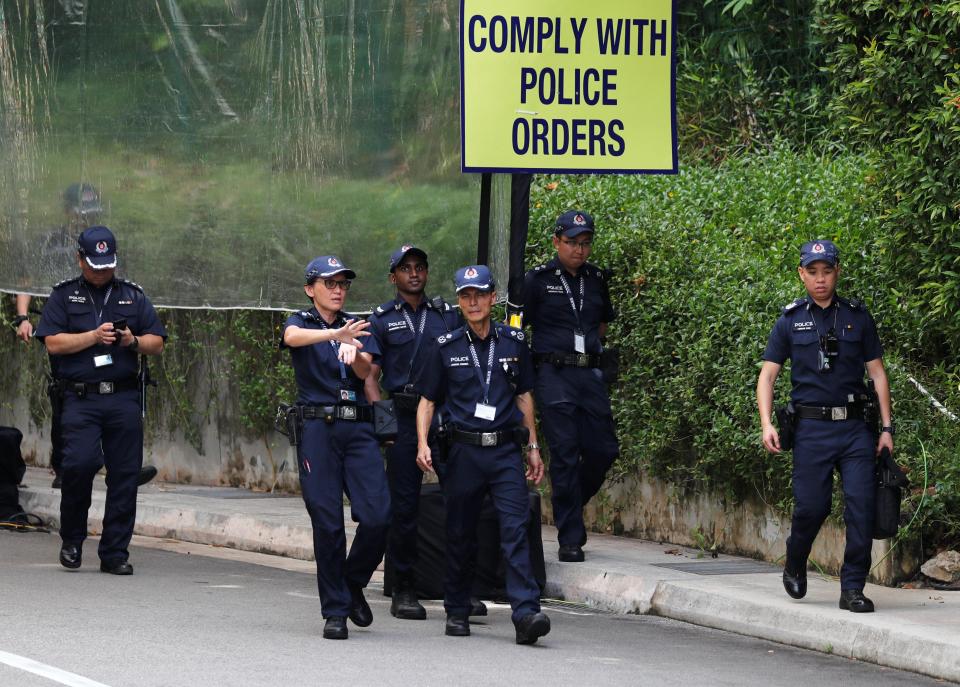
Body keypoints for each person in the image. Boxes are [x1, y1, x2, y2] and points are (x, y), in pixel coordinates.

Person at [415, 265, 551, 645]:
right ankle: (457, 608)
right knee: (460, 531)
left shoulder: (513, 342)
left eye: (479, 294)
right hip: (463, 453)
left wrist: (534, 448)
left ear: (493, 297)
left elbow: (524, 396)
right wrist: (423, 443)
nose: (472, 301)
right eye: (465, 295)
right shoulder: (446, 346)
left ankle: (526, 614)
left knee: (515, 528)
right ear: (459, 301)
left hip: (505, 450)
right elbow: (427, 401)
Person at [756, 239, 894, 613]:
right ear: (801, 274)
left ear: (837, 272)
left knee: (861, 509)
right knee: (811, 509)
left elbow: (877, 375)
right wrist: (767, 423)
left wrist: (886, 428)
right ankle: (796, 557)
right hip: (812, 430)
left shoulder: (857, 317)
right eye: (812, 272)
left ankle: (852, 589)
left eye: (827, 271)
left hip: (854, 430)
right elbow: (767, 377)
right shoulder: (789, 320)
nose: (820, 280)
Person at [35, 226, 167, 575]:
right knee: (78, 465)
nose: (102, 271)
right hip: (81, 399)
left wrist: (131, 341)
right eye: (94, 265)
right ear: (80, 259)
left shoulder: (132, 296)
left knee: (124, 476)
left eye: (107, 265)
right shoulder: (64, 296)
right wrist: (93, 336)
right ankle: (73, 539)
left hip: (122, 397)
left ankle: (114, 553)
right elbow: (52, 343)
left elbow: (157, 341)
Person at [12, 183, 157, 489]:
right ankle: (66, 466)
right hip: (65, 322)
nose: (85, 218)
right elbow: (27, 279)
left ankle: (117, 464)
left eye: (91, 213)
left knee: (110, 388)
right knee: (67, 394)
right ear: (67, 212)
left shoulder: (102, 244)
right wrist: (23, 317)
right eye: (81, 212)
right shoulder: (49, 242)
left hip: (103, 324)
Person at [281, 255, 391, 640]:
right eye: (330, 283)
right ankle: (335, 611)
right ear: (311, 289)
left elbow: (366, 374)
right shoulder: (301, 321)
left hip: (357, 427)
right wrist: (333, 336)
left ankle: (351, 581)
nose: (338, 290)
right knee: (327, 523)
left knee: (379, 515)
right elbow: (291, 339)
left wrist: (356, 352)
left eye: (343, 283)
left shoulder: (359, 325)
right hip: (318, 429)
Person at [364, 244, 461, 620]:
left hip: (444, 417)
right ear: (394, 277)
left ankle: (460, 590)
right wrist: (384, 426)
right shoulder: (382, 319)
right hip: (402, 418)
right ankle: (403, 589)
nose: (415, 273)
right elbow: (371, 376)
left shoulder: (446, 316)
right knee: (404, 508)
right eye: (406, 268)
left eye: (420, 267)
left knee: (460, 503)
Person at [521, 210, 618, 563]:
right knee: (564, 451)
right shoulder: (538, 280)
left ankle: (570, 504)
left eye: (586, 243)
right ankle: (570, 538)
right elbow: (519, 324)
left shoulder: (595, 279)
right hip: (553, 372)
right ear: (556, 242)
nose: (580, 250)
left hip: (589, 374)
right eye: (573, 243)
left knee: (604, 449)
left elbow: (602, 325)